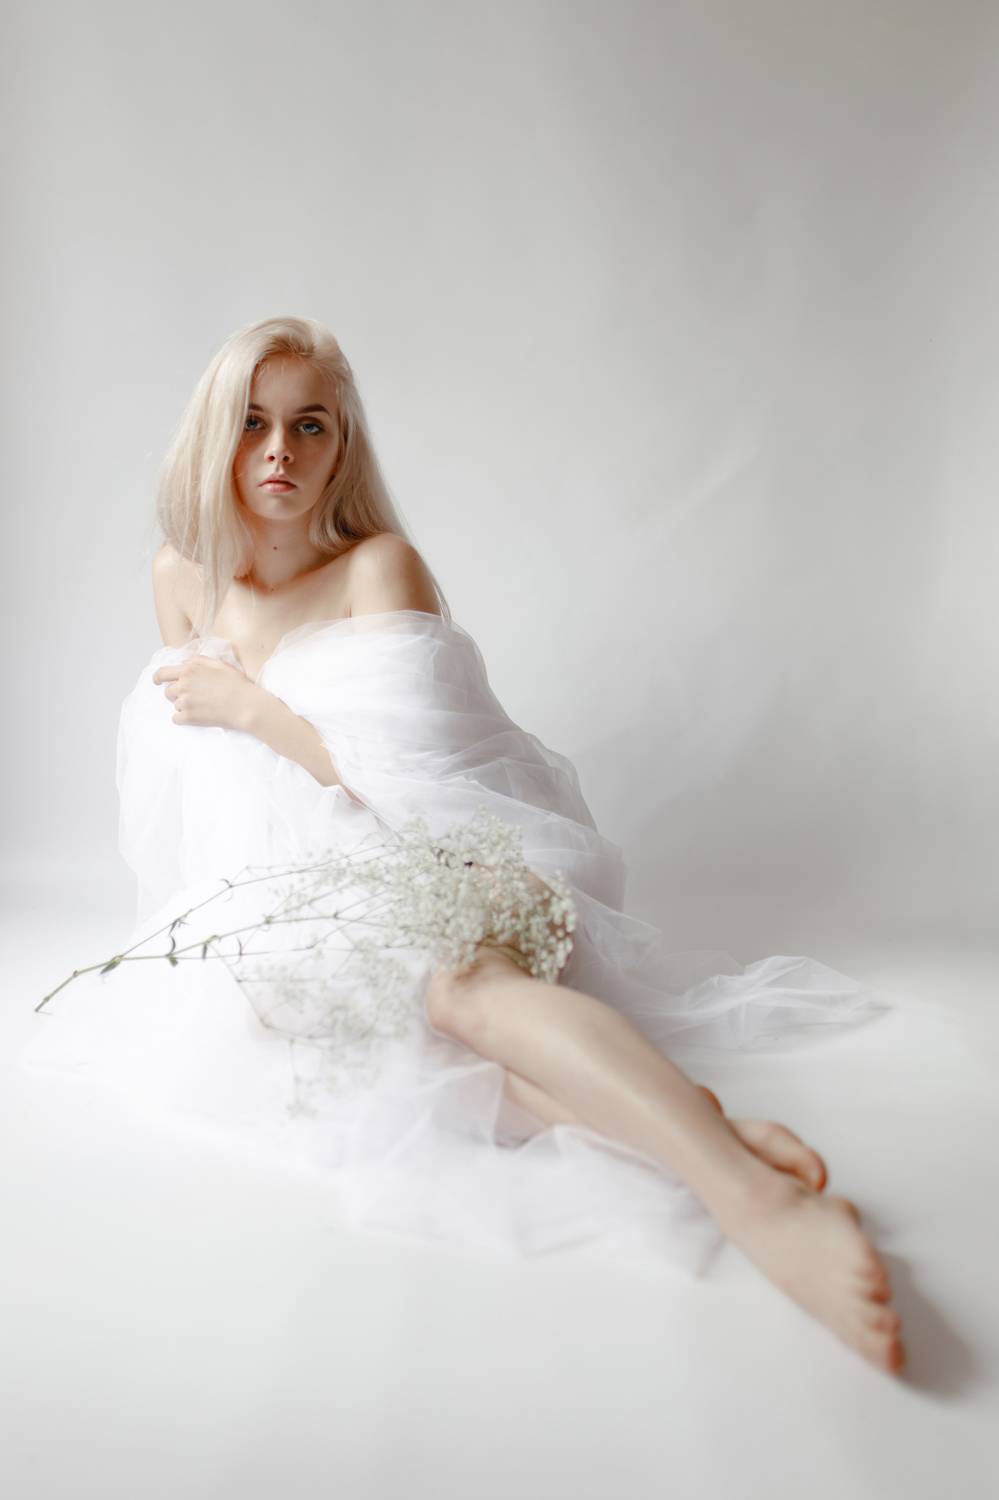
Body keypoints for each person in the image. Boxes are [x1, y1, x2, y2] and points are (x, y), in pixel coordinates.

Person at [22, 315, 905, 1377]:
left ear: (342, 446)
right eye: (252, 423)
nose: (279, 452)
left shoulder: (378, 568)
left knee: (460, 998)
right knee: (378, 1064)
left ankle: (753, 1199)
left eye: (310, 426)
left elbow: (411, 785)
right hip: (297, 894)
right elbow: (201, 786)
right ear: (214, 433)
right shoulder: (181, 576)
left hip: (440, 851)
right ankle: (697, 1134)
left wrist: (253, 709)